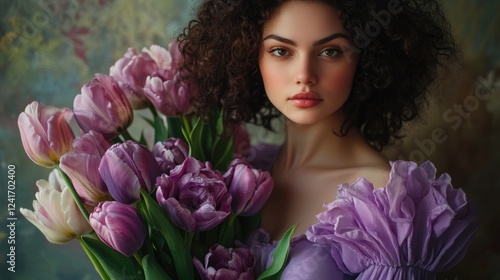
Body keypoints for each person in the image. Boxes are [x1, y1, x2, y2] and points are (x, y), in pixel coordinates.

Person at [178, 0, 479, 278]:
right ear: (247, 56)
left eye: (330, 51)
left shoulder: (387, 208)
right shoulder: (242, 174)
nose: (305, 74)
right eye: (281, 51)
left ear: (369, 58)